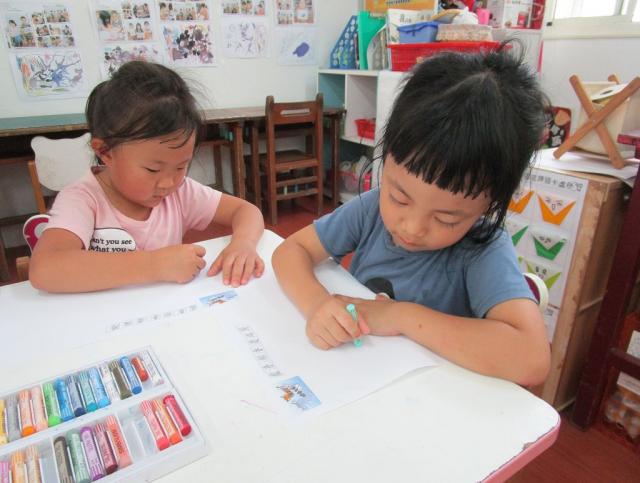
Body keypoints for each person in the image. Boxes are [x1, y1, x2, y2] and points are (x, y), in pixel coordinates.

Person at [272, 46, 551, 386]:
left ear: (488, 205)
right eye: (399, 197)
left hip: (429, 393)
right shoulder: (371, 209)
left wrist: (400, 316)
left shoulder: (483, 248)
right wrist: (317, 304)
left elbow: (532, 358)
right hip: (358, 377)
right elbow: (291, 251)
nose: (413, 228)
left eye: (447, 219)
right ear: (385, 156)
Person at [30, 61, 265, 293]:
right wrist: (154, 264)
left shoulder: (180, 193)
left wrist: (243, 243)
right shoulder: (83, 199)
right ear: (105, 151)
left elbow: (245, 211)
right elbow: (45, 269)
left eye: (181, 166)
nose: (169, 183)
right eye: (153, 169)